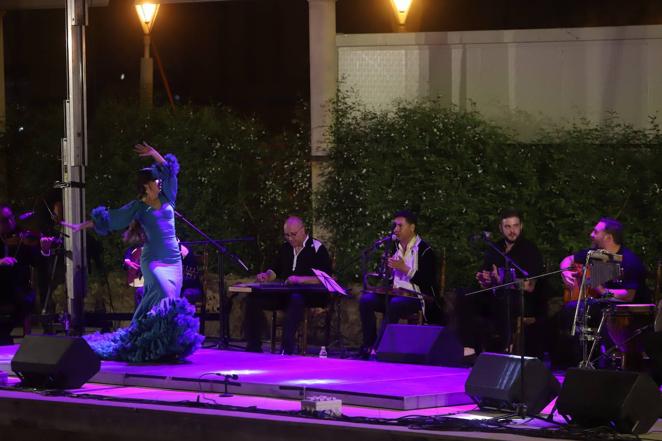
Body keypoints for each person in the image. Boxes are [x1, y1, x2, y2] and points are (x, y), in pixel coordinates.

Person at [62, 142, 203, 362]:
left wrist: (154, 154)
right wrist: (80, 226)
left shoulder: (168, 198)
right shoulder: (138, 207)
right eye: (156, 182)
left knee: (169, 302)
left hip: (174, 261)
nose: (160, 183)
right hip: (154, 261)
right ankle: (147, 342)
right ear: (147, 186)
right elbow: (114, 218)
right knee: (165, 295)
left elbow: (170, 171)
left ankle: (162, 346)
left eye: (159, 181)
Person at [558, 218, 649, 366]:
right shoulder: (594, 253)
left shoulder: (629, 260)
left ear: (608, 237)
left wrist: (601, 289)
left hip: (627, 310)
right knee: (570, 310)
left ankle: (601, 362)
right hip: (603, 303)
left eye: (596, 232)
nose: (591, 234)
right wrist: (565, 272)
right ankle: (577, 362)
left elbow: (629, 295)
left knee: (588, 312)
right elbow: (568, 259)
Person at [244, 216, 332, 355]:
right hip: (285, 292)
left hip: (309, 294)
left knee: (295, 299)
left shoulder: (317, 248)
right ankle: (253, 346)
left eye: (293, 234)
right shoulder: (285, 248)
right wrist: (266, 276)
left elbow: (325, 278)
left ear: (303, 231)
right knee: (253, 299)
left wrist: (299, 279)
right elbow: (274, 270)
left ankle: (287, 347)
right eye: (287, 235)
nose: (290, 238)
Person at [359, 210, 438, 358]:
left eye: (400, 225)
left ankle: (380, 347)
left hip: (415, 297)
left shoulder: (425, 251)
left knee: (394, 304)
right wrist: (387, 270)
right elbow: (390, 279)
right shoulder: (395, 248)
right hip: (395, 294)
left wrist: (404, 268)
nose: (395, 229)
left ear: (412, 228)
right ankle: (368, 345)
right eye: (395, 225)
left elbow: (428, 281)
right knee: (366, 300)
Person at [472, 208, 548, 357]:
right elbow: (487, 277)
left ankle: (506, 347)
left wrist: (503, 281)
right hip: (495, 296)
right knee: (466, 296)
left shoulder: (529, 249)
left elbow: (530, 286)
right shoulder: (496, 248)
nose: (512, 231)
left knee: (504, 300)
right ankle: (469, 349)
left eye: (515, 226)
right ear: (501, 228)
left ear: (521, 226)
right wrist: (484, 279)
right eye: (508, 227)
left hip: (523, 299)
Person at [0, 204, 55, 344]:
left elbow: (37, 262)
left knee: (24, 300)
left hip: (18, 289)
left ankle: (6, 335)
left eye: (11, 218)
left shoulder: (23, 236)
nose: (11, 222)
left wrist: (45, 251)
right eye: (4, 220)